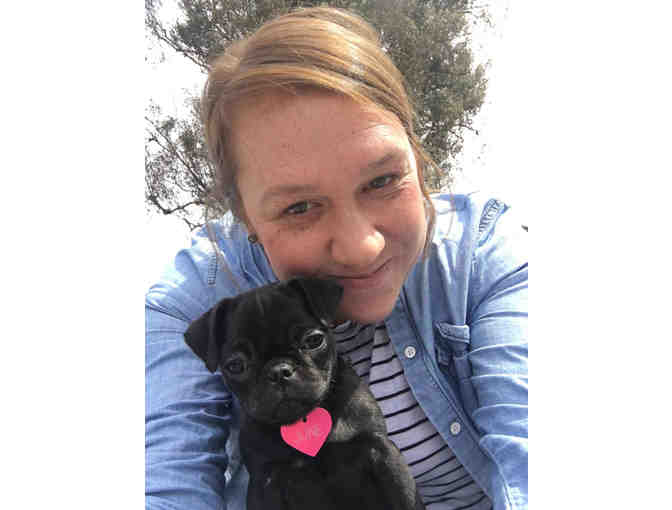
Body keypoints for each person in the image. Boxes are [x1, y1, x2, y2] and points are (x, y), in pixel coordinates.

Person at [145, 7, 527, 510]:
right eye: (299, 207)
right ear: (244, 218)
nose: (361, 246)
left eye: (383, 180)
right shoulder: (192, 299)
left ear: (417, 158)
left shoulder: (479, 252)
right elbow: (168, 479)